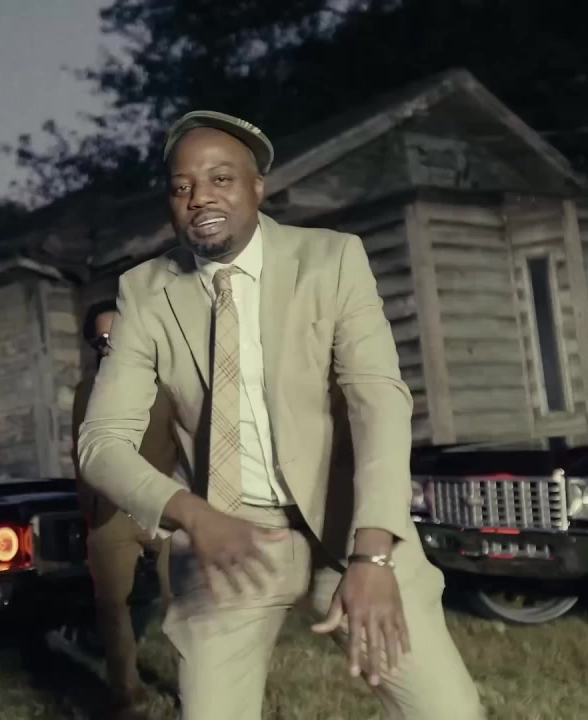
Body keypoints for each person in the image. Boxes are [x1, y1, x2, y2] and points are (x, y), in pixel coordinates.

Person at [77, 111, 485, 720]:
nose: (199, 197)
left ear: (257, 186)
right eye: (182, 186)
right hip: (227, 539)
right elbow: (101, 443)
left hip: (348, 525)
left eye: (220, 179)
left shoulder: (331, 260)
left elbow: (378, 401)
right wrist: (194, 515)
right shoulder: (145, 292)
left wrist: (373, 554)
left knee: (449, 713)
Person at [72, 298, 179, 718]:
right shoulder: (87, 391)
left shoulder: (165, 383)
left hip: (164, 506)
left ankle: (197, 688)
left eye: (117, 334)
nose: (110, 344)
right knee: (112, 608)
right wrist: (91, 505)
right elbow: (81, 453)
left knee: (183, 604)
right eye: (101, 339)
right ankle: (127, 695)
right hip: (110, 515)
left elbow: (186, 440)